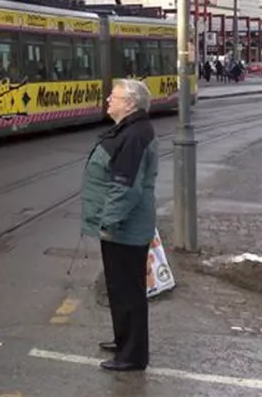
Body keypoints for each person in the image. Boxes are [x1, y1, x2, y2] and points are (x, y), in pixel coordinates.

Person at [80, 78, 158, 372]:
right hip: (121, 226)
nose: (107, 100)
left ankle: (133, 355)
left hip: (124, 227)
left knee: (128, 290)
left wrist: (108, 221)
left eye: (113, 96)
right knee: (119, 287)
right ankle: (123, 339)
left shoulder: (135, 134)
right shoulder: (131, 129)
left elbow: (126, 187)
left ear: (130, 102)